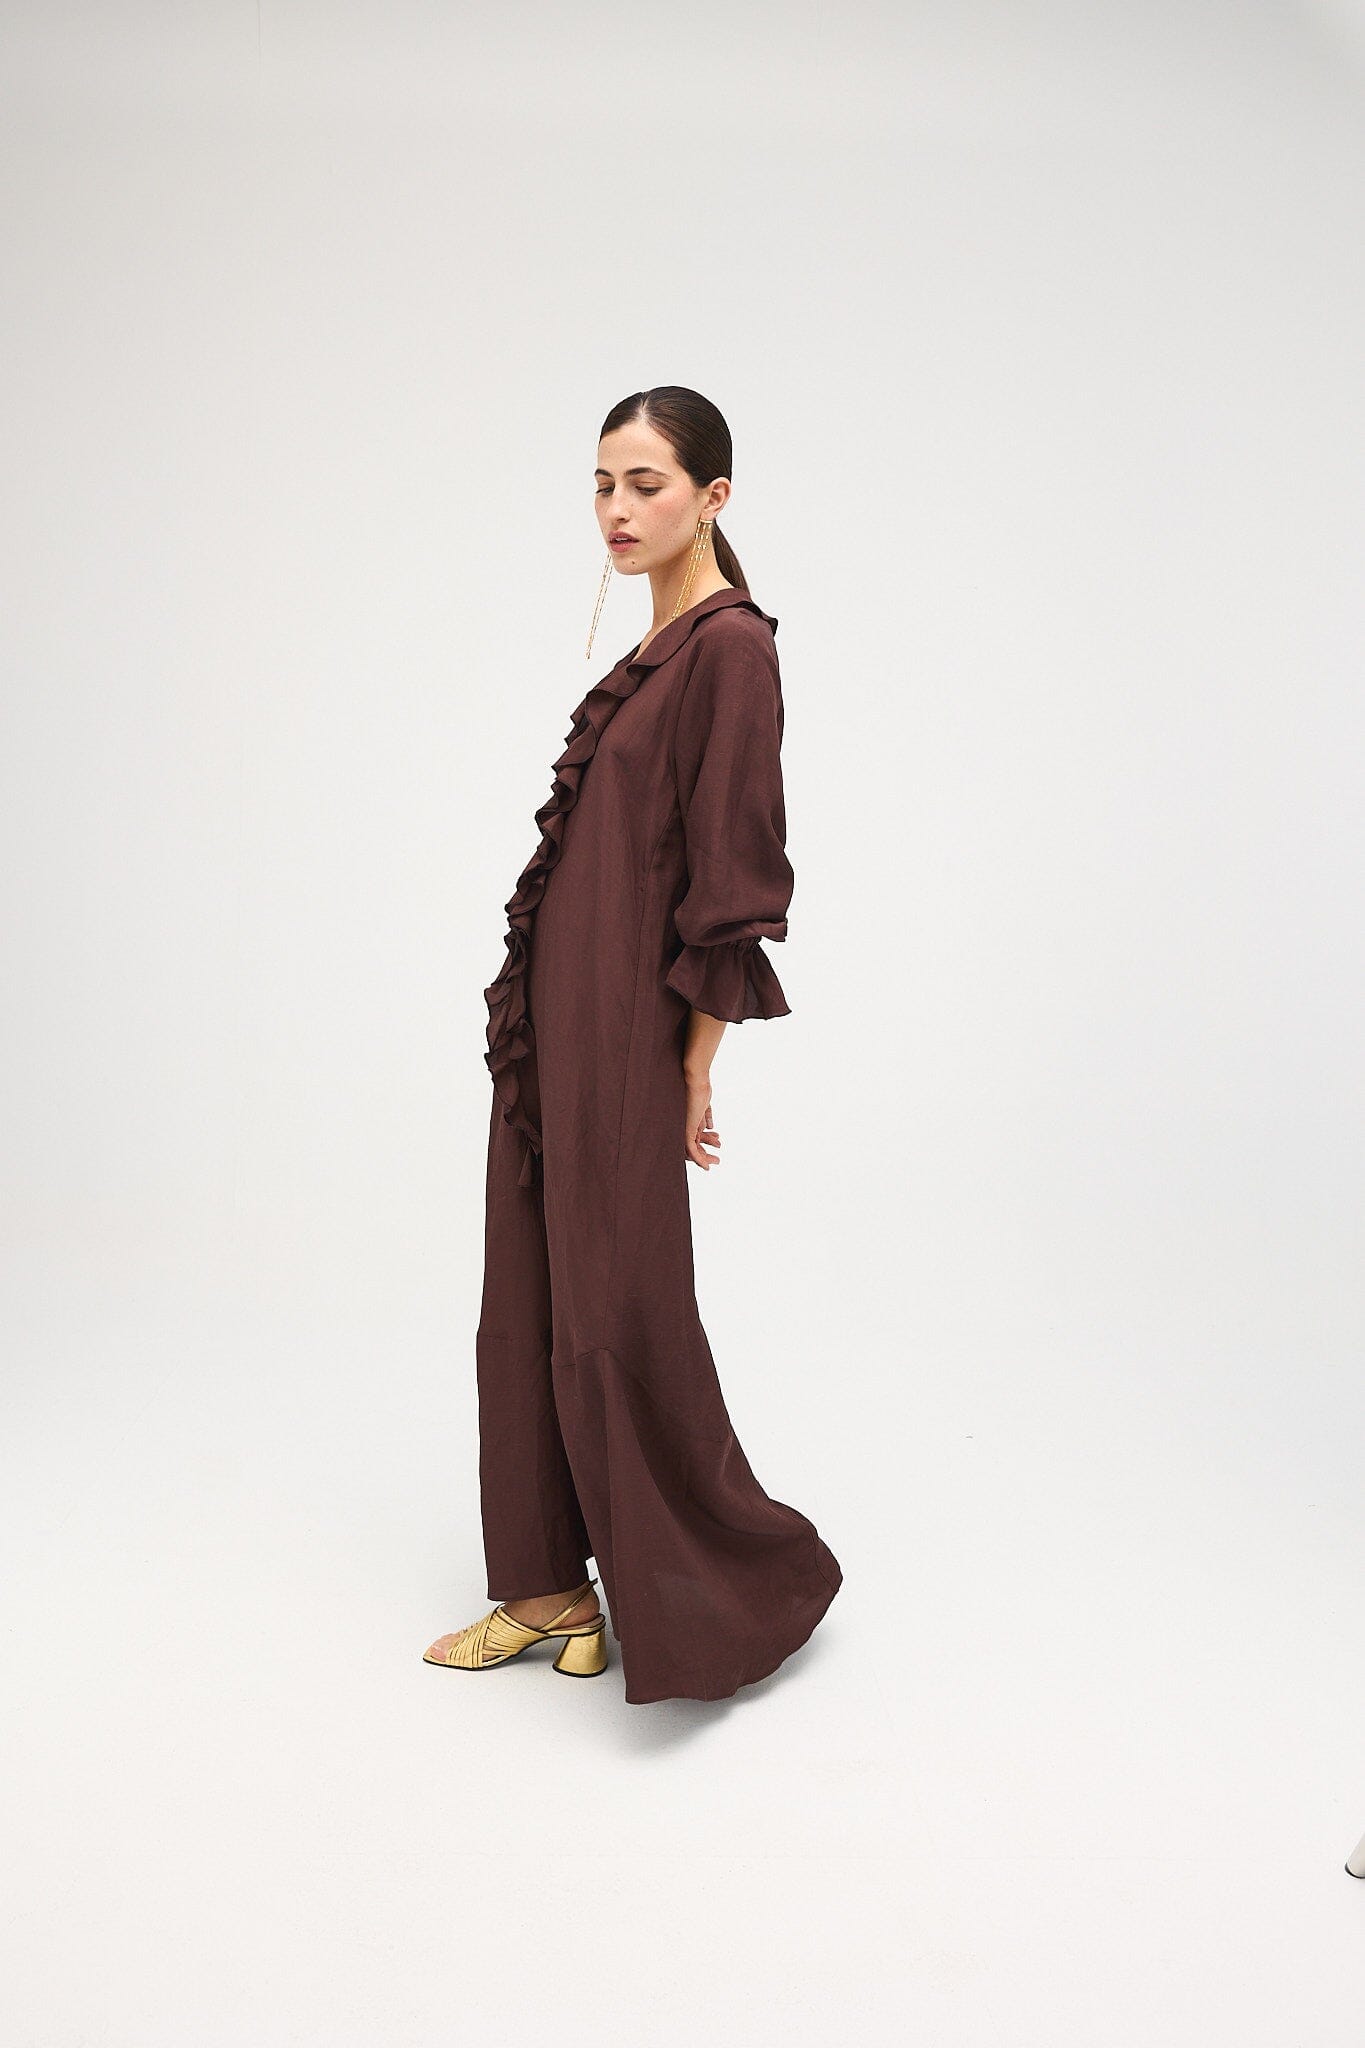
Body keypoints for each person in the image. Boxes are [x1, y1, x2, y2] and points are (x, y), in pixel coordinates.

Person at [422, 386, 842, 1703]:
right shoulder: (658, 645)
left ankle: (730, 1592)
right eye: (603, 484)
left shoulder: (729, 651)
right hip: (556, 1022)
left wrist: (692, 1061)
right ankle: (547, 1590)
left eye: (646, 484)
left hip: (622, 1029)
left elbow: (733, 878)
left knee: (618, 1305)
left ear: (713, 496)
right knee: (529, 1291)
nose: (616, 509)